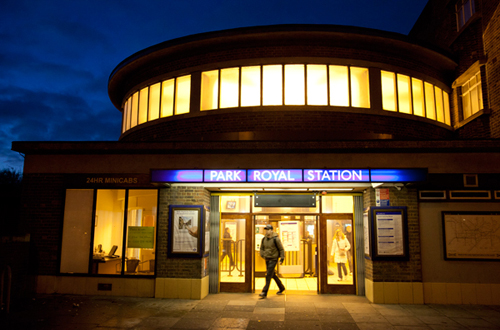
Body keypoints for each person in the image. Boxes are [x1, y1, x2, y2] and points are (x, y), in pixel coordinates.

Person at [259, 224, 285, 298]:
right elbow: (261, 248)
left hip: (273, 259)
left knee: (268, 275)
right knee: (272, 274)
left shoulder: (275, 239)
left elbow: (281, 249)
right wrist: (262, 255)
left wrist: (282, 258)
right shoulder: (264, 239)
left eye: (268, 230)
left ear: (271, 230)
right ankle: (281, 287)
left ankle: (264, 291)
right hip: (267, 258)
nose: (266, 231)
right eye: (266, 230)